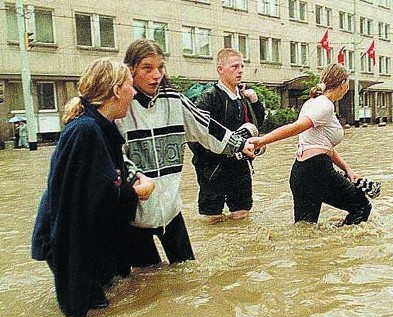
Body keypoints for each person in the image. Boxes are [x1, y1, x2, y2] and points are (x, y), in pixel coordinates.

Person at [31, 58, 156, 317]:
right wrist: (137, 193)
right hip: (71, 244)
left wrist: (132, 178)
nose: (134, 93)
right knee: (91, 316)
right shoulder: (84, 131)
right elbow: (79, 205)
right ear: (115, 91)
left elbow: (104, 181)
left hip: (88, 242)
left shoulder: (101, 127)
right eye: (130, 86)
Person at [116, 39, 255, 267]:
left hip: (170, 210)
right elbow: (115, 155)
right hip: (135, 215)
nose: (156, 75)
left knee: (187, 269)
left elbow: (205, 125)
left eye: (160, 67)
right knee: (148, 281)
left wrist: (239, 144)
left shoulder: (173, 99)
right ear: (131, 69)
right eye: (147, 68)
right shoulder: (122, 106)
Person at [248, 63, 372, 226]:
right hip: (317, 171)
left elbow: (324, 147)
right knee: (362, 206)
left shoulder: (312, 103)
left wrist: (347, 169)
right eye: (347, 84)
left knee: (305, 229)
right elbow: (296, 128)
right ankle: (344, 246)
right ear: (343, 84)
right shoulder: (325, 105)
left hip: (301, 173)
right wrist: (262, 140)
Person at [189, 48, 265, 223]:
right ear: (220, 69)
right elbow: (194, 135)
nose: (240, 70)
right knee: (211, 218)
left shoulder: (244, 97)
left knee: (242, 215)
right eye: (234, 66)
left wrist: (256, 102)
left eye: (242, 66)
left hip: (240, 166)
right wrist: (214, 157)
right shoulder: (209, 97)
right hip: (213, 169)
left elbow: (256, 125)